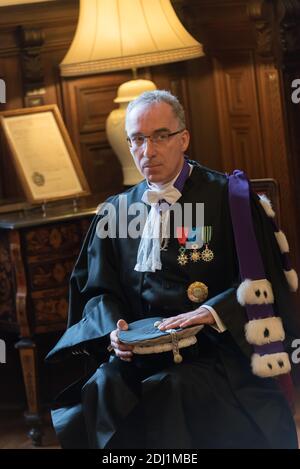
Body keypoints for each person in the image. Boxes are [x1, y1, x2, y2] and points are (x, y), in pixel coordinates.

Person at [46, 90, 299, 449]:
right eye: (137, 139)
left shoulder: (230, 198)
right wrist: (114, 333)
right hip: (140, 349)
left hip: (215, 350)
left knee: (170, 388)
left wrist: (210, 313)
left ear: (183, 139)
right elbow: (97, 290)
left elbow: (264, 280)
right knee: (104, 385)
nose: (147, 151)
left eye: (160, 136)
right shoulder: (115, 211)